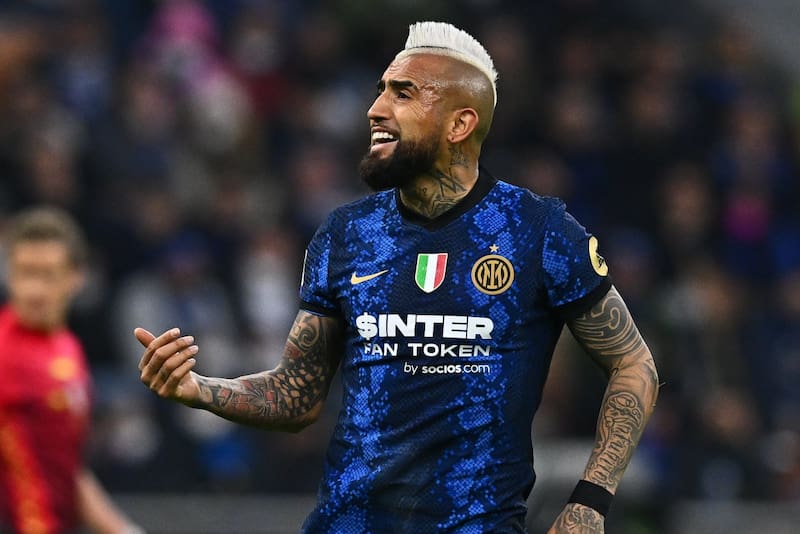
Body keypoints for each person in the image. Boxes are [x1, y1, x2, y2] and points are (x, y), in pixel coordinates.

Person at [137, 22, 659, 533]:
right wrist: (200, 389)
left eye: (402, 94)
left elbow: (633, 364)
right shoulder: (347, 233)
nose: (375, 109)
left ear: (459, 124)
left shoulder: (536, 231)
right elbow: (297, 394)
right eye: (381, 90)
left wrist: (590, 502)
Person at [0, 207, 142, 534]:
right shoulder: (4, 351)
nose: (34, 291)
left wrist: (124, 530)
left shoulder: (68, 349)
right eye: (25, 273)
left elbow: (68, 467)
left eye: (47, 275)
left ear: (76, 277)